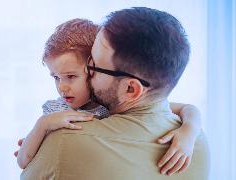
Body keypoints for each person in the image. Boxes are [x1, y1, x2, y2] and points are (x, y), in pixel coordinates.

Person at [19, 9, 209, 179]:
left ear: (131, 89)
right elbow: (184, 108)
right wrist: (191, 127)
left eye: (93, 66)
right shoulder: (198, 144)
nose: (89, 72)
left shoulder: (64, 142)